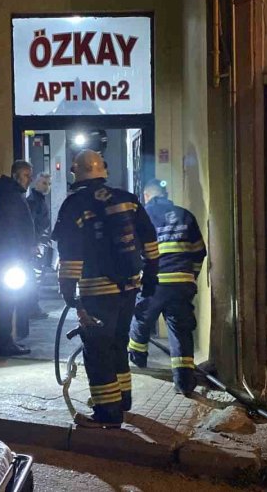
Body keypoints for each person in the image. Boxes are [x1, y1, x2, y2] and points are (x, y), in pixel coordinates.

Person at [52, 150, 159, 429]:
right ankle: (122, 400)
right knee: (117, 343)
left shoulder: (74, 204)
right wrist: (151, 275)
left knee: (97, 348)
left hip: (96, 289)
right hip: (129, 287)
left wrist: (67, 288)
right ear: (103, 172)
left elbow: (70, 251)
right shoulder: (127, 199)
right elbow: (149, 237)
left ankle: (107, 413)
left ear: (77, 173)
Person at [128, 179, 207, 395]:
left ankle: (137, 360)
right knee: (180, 330)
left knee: (142, 318)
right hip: (182, 282)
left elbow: (134, 249)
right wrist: (192, 275)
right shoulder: (185, 215)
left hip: (156, 281)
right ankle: (183, 383)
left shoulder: (142, 215)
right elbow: (199, 251)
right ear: (165, 194)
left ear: (146, 196)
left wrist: (135, 276)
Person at [0, 160, 36, 356]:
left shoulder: (11, 195)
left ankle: (7, 341)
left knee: (10, 299)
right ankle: (6, 343)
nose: (30, 180)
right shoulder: (10, 197)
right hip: (11, 258)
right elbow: (9, 229)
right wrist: (20, 253)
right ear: (17, 176)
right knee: (9, 300)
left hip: (12, 256)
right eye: (27, 175)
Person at [26, 173, 52, 321]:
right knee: (35, 277)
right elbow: (34, 224)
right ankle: (32, 308)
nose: (47, 186)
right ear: (36, 183)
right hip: (37, 245)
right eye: (44, 183)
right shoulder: (34, 201)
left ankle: (32, 307)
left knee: (36, 277)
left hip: (39, 243)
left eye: (48, 183)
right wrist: (36, 243)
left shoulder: (38, 200)